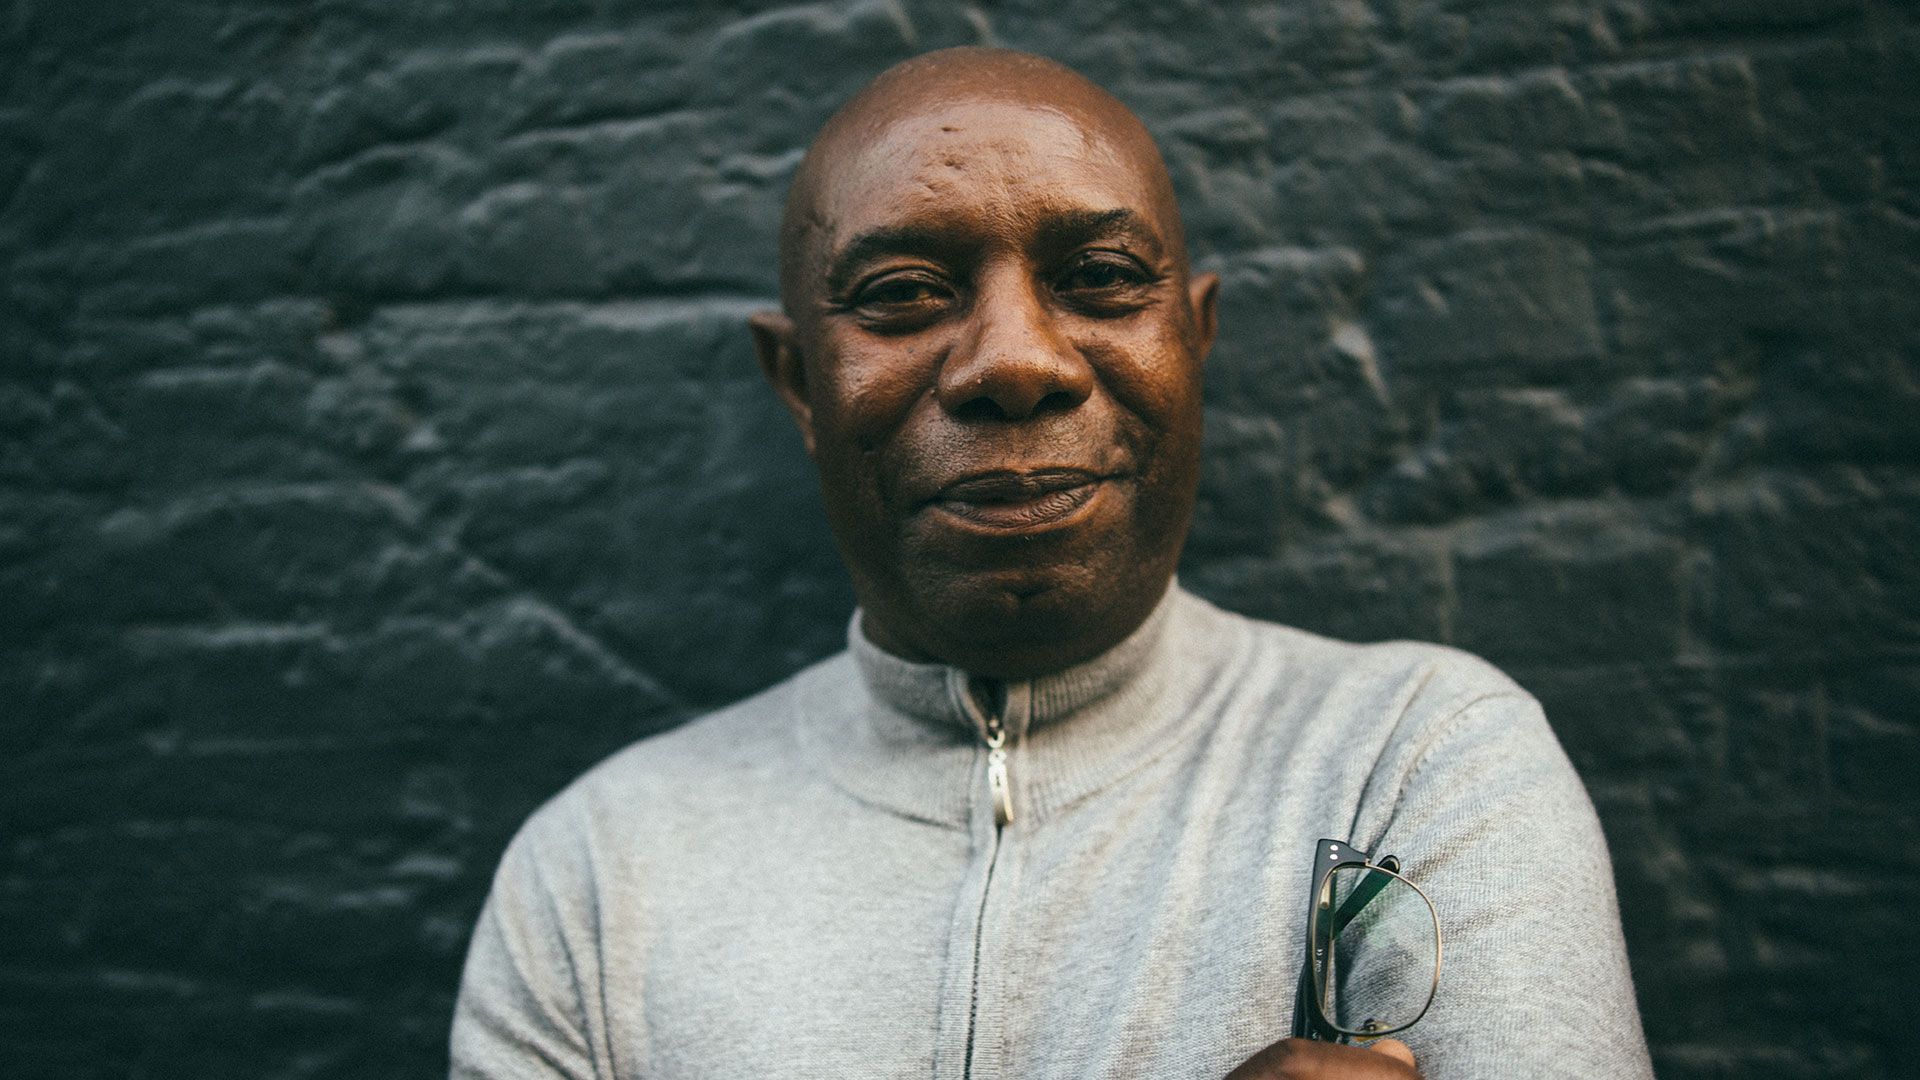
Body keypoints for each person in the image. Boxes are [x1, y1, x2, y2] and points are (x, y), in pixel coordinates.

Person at [450, 47, 1653, 1079]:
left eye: (1100, 282)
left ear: (1195, 335)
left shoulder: (1411, 760)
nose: (1015, 362)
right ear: (798, 381)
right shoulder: (599, 883)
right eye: (905, 294)